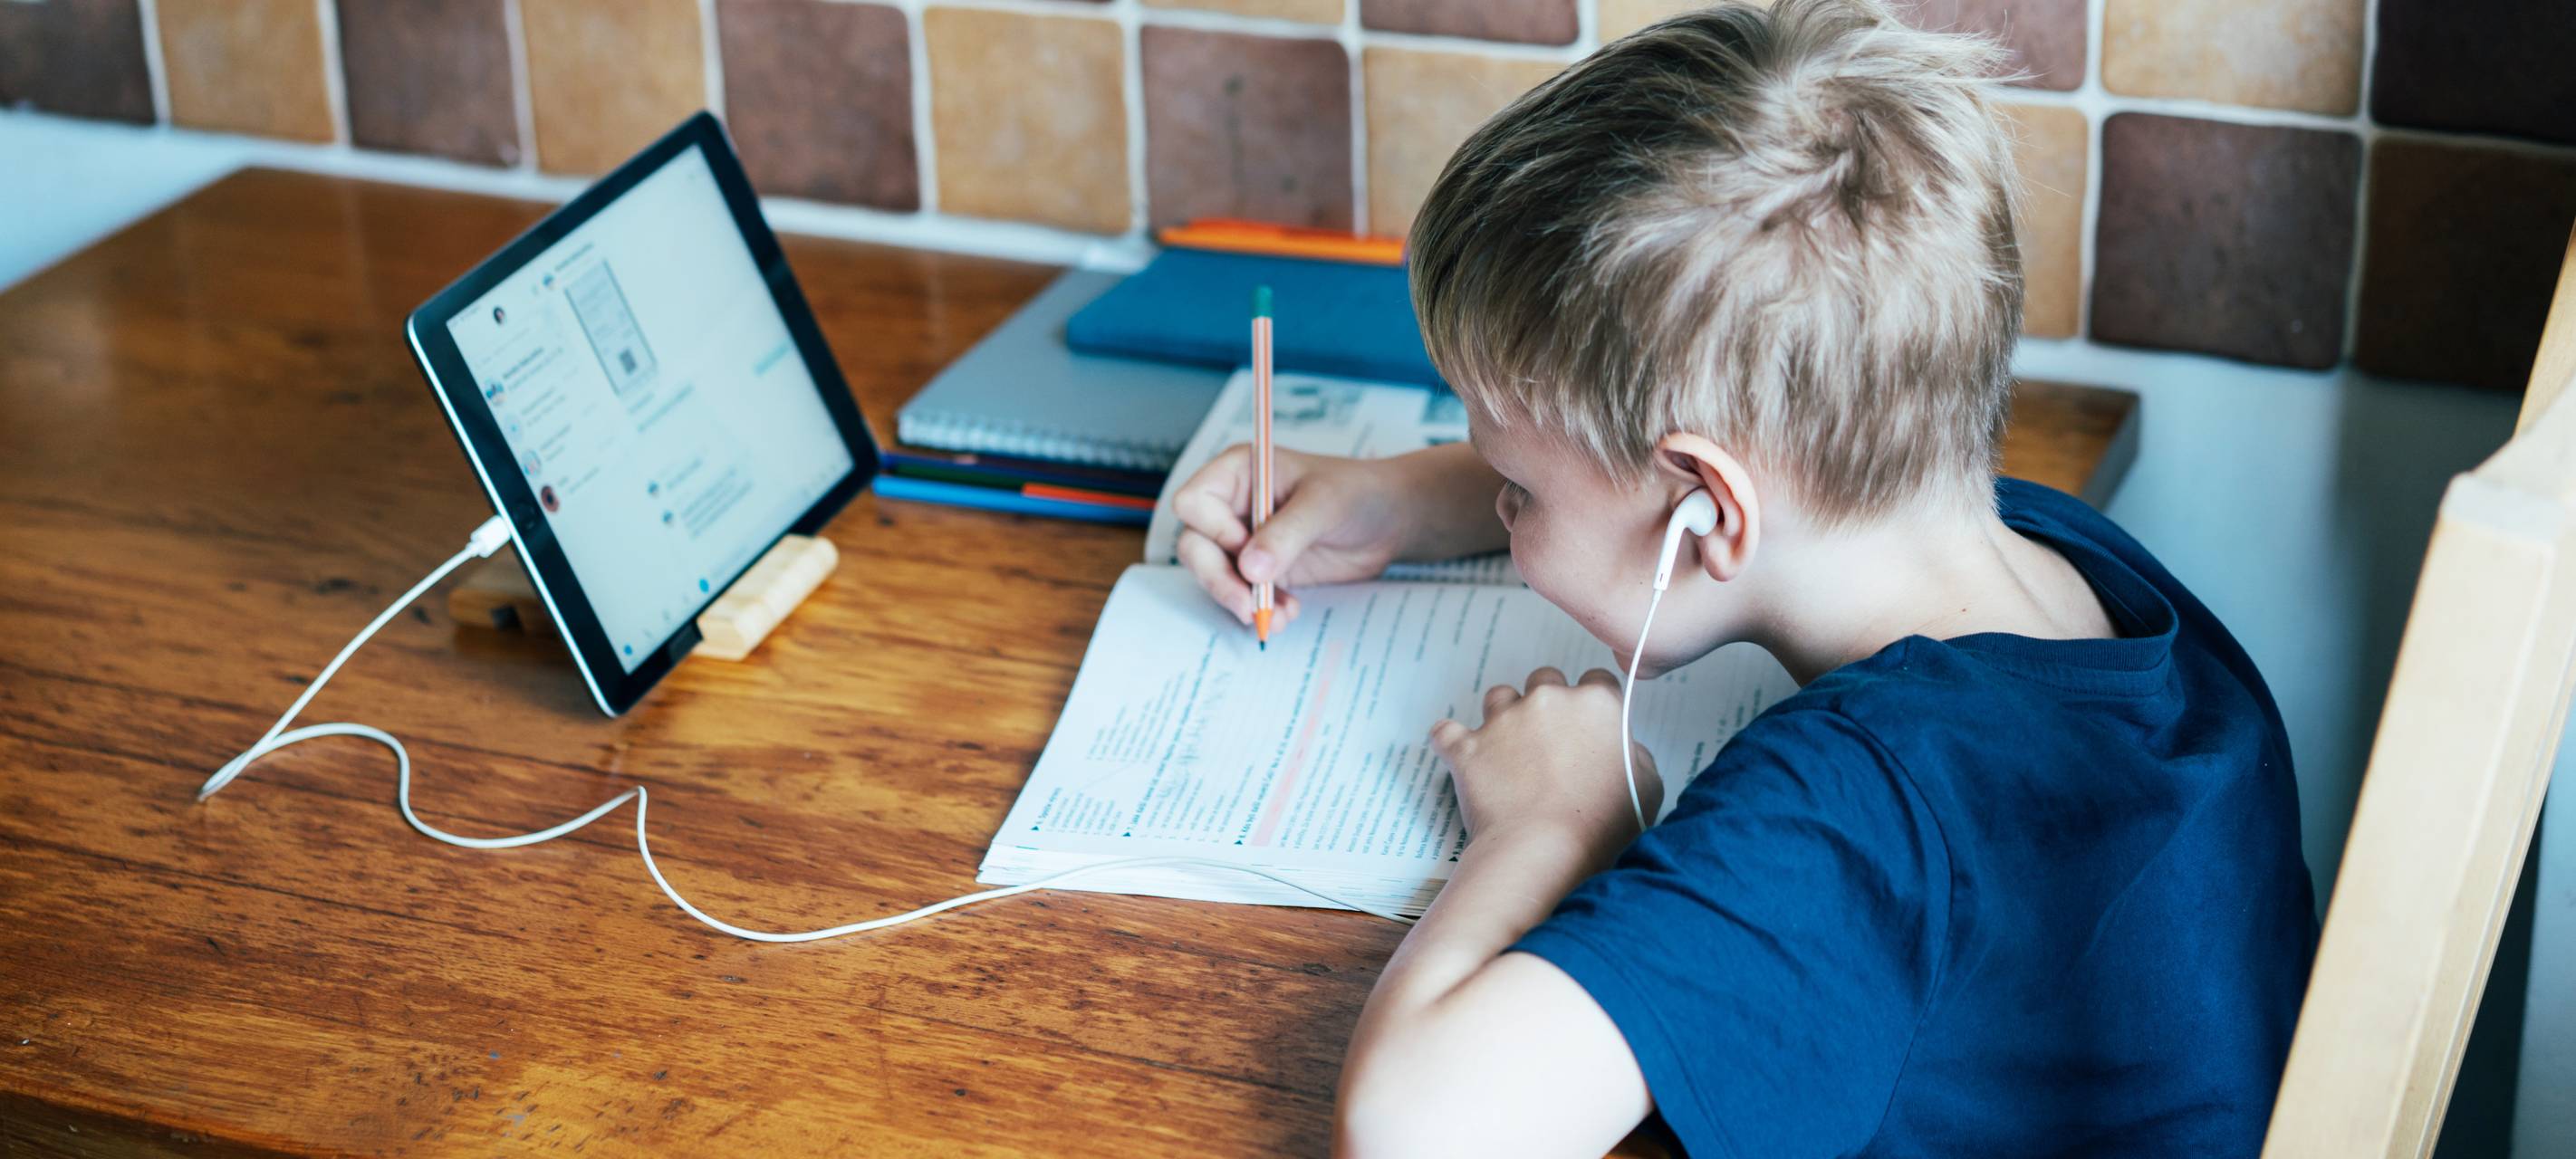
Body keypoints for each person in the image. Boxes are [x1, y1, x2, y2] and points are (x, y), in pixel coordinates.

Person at [1166, 3, 2317, 1154]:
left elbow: (1414, 1129)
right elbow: (1707, 486)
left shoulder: (1859, 812)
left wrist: (1551, 821)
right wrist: (1403, 497)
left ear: (1707, 512)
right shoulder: (2070, 565)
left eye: (1516, 482)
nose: (1497, 494)